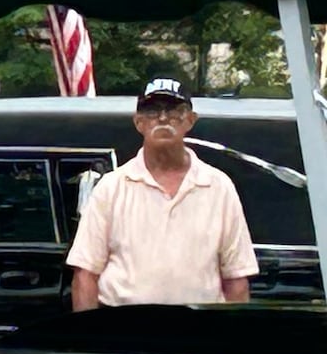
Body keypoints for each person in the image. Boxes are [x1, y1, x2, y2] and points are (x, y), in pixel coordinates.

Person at [68, 77, 258, 310]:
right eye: (152, 111)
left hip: (201, 333)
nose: (163, 118)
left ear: (191, 120)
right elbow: (85, 274)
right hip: (125, 332)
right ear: (138, 122)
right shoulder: (111, 188)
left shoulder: (219, 187)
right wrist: (90, 342)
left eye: (175, 111)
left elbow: (236, 278)